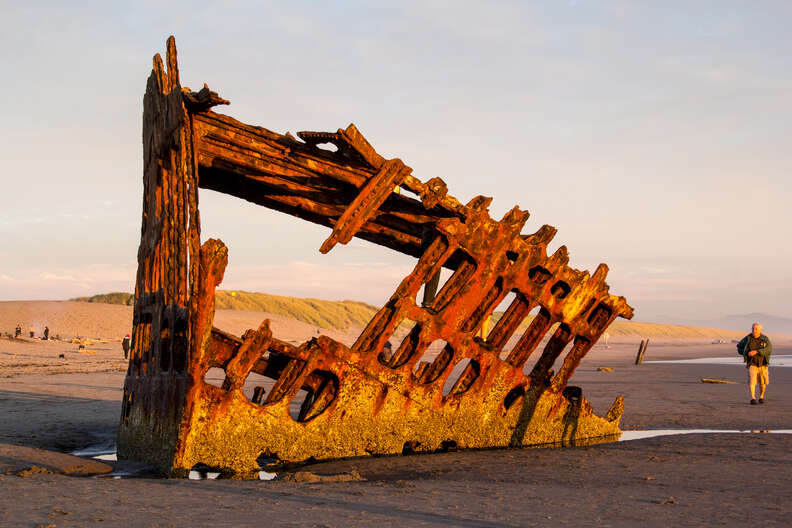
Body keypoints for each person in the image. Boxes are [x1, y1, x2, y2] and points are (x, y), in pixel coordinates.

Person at [737, 323, 772, 405]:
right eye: (753, 328)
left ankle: (761, 397)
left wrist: (757, 351)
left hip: (763, 364)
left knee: (763, 383)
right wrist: (746, 353)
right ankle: (753, 398)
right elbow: (739, 347)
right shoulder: (747, 338)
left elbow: (769, 349)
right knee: (752, 382)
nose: (754, 330)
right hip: (752, 364)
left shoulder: (765, 339)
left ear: (760, 330)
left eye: (756, 329)